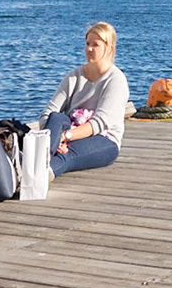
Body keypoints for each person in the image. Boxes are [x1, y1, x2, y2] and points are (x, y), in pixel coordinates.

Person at [39, 21, 129, 177]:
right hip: (69, 133)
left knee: (66, 155)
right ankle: (38, 160)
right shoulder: (74, 76)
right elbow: (48, 112)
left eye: (96, 45)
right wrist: (54, 139)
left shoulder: (116, 80)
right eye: (87, 44)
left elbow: (99, 123)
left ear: (109, 49)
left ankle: (41, 173)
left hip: (104, 139)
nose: (89, 49)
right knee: (56, 117)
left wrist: (65, 137)